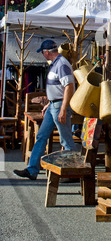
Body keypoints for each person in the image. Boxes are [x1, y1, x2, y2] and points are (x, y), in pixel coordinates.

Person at [14, 40, 77, 180]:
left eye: (43, 52)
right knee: (42, 136)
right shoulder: (57, 64)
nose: (43, 55)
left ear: (46, 52)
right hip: (54, 105)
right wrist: (50, 103)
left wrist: (63, 108)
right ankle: (32, 170)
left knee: (66, 139)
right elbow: (61, 88)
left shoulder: (61, 64)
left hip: (59, 105)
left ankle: (73, 172)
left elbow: (69, 87)